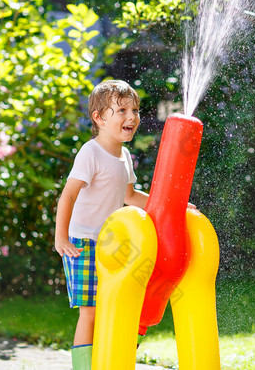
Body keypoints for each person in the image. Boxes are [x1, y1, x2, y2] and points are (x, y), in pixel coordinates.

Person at [54, 79, 150, 370]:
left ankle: (114, 358)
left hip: (111, 245)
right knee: (91, 311)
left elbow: (130, 196)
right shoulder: (91, 152)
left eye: (134, 110)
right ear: (99, 118)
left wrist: (172, 204)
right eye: (121, 110)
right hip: (82, 243)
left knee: (120, 306)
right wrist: (61, 238)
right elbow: (68, 195)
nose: (131, 116)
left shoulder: (123, 156)